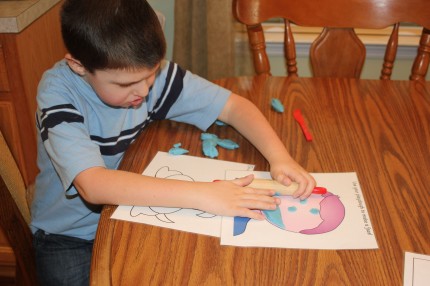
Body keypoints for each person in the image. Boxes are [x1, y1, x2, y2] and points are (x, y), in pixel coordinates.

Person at [31, 0, 316, 284]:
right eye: (125, 85)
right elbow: (92, 185)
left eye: (151, 73)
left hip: (131, 213)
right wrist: (206, 195)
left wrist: (280, 157)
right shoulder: (58, 93)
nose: (144, 90)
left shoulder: (144, 72)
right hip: (68, 237)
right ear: (78, 66)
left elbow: (233, 106)